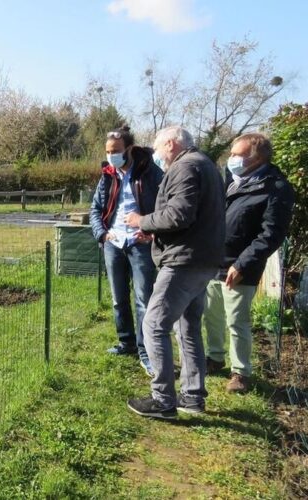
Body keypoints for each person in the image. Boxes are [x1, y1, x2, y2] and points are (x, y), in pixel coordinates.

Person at [123, 126, 225, 419]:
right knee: (187, 326)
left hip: (184, 263)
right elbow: (194, 218)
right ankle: (192, 396)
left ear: (170, 143)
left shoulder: (186, 167)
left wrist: (142, 220)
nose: (156, 155)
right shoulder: (206, 166)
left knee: (154, 324)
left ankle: (162, 400)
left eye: (157, 148)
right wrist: (155, 233)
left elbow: (179, 214)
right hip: (202, 259)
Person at [204, 133, 295, 393]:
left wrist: (243, 264)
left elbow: (271, 234)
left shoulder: (275, 188)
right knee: (211, 314)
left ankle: (240, 372)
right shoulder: (232, 180)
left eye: (237, 155)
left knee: (236, 320)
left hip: (240, 267)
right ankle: (214, 357)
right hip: (214, 259)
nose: (231, 159)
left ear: (256, 158)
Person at [89, 126, 163, 377]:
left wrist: (153, 231)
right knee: (118, 299)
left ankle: (147, 352)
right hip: (114, 243)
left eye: (117, 151)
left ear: (129, 149)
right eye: (109, 152)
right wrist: (102, 234)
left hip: (140, 244)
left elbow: (166, 206)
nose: (112, 156)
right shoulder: (108, 175)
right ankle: (126, 343)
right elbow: (95, 210)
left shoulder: (150, 172)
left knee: (144, 300)